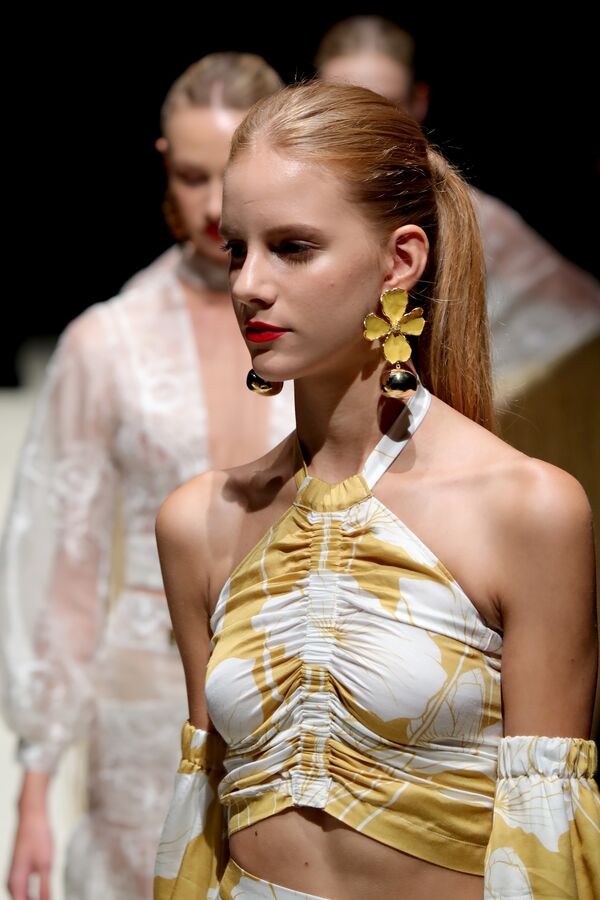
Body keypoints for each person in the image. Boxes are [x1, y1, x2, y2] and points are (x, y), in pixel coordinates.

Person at [152, 82, 599, 899]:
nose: (249, 283)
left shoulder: (526, 510)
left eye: (292, 247)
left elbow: (546, 834)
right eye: (237, 249)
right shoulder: (200, 522)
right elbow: (199, 823)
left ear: (401, 261)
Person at [1, 52, 294, 900]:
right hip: (146, 708)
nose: (211, 207)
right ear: (162, 160)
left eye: (229, 176)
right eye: (191, 176)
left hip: (302, 683)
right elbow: (61, 558)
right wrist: (36, 781)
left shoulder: (333, 332)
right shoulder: (109, 341)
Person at [314, 15, 600, 403]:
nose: (364, 126)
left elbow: (575, 336)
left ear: (419, 102)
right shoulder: (288, 200)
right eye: (342, 104)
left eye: (387, 105)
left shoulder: (470, 218)